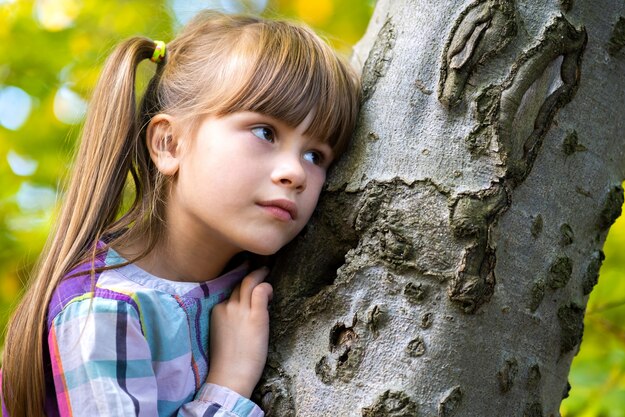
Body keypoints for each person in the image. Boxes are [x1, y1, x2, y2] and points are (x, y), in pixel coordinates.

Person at [0, 10, 360, 417]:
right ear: (170, 144)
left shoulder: (273, 277)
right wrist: (229, 383)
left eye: (316, 155)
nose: (295, 173)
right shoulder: (101, 313)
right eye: (265, 132)